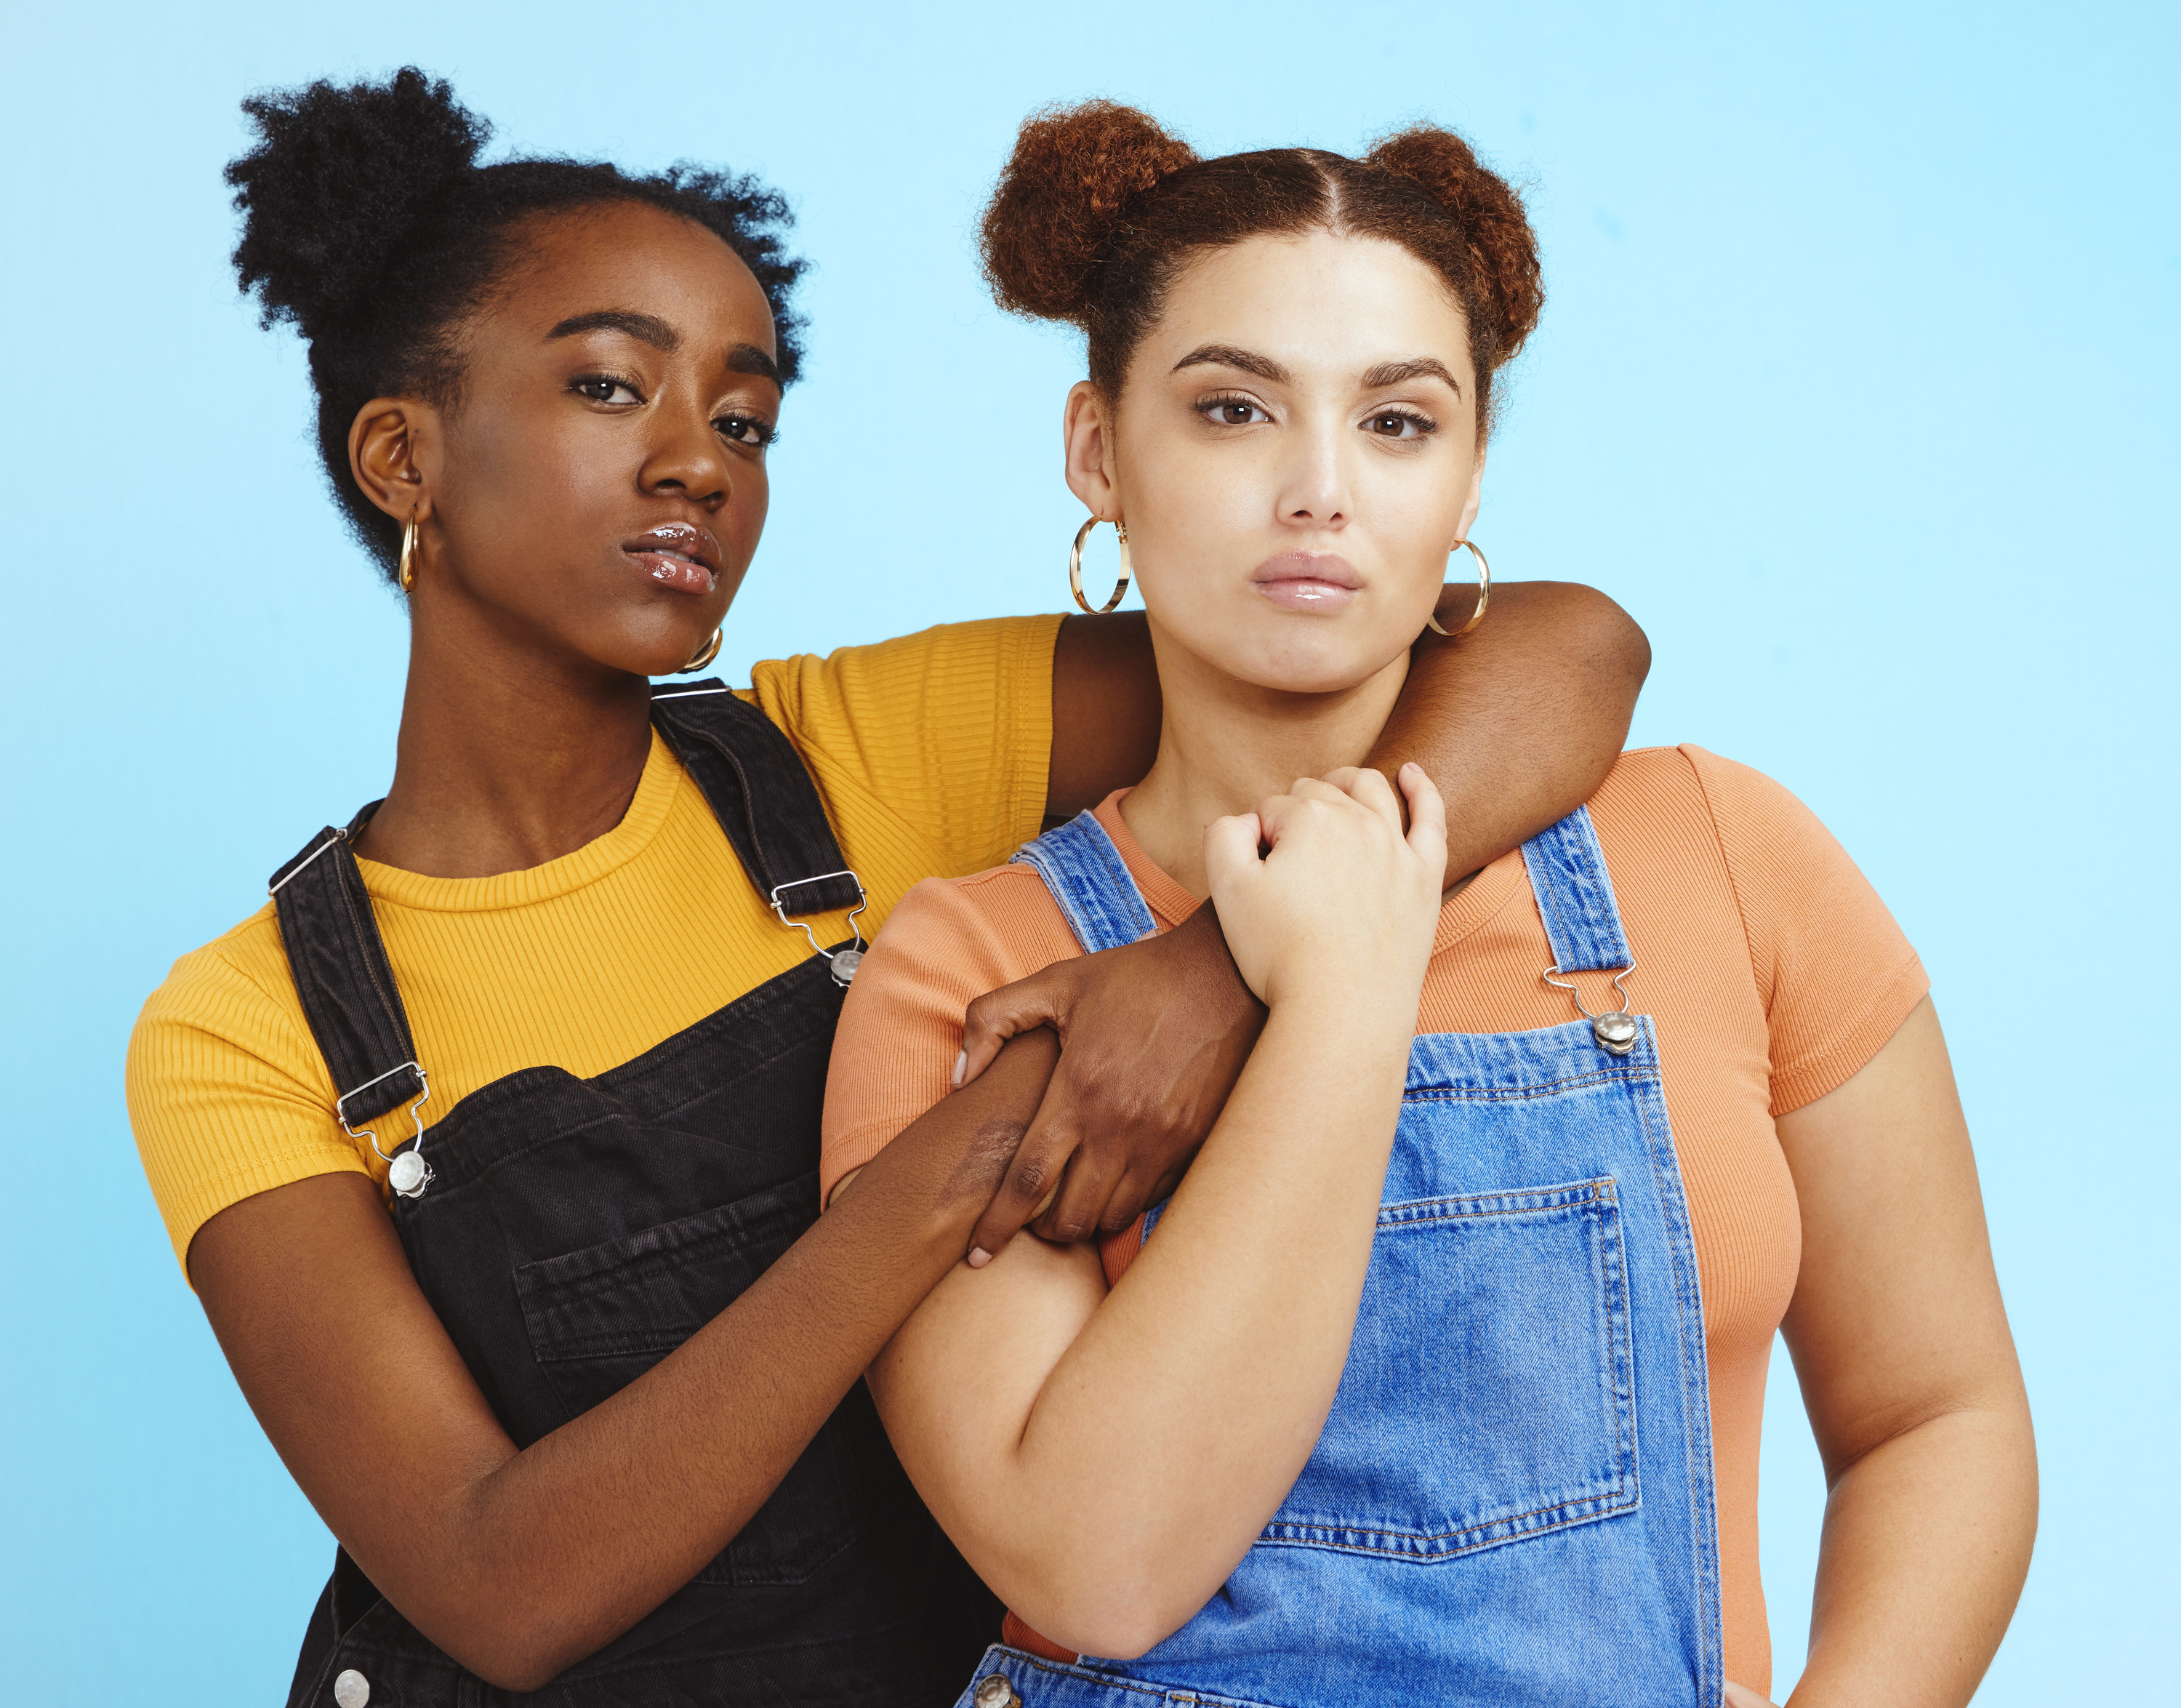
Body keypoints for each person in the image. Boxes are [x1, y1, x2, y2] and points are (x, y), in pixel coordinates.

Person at [124, 71, 1651, 1708]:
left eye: (741, 418)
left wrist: (1210, 976)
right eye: (608, 386)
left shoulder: (852, 755)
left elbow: (1553, 643)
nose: (695, 464)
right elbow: (501, 1575)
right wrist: (970, 1149)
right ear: (401, 454)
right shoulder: (245, 1028)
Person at [822, 103, 2038, 1708]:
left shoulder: (1726, 854)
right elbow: (1097, 1557)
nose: (1319, 490)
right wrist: (1327, 987)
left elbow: (1939, 1413)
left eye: (1397, 423)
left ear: (1471, 477)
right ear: (1098, 452)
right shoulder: (979, 966)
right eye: (1234, 408)